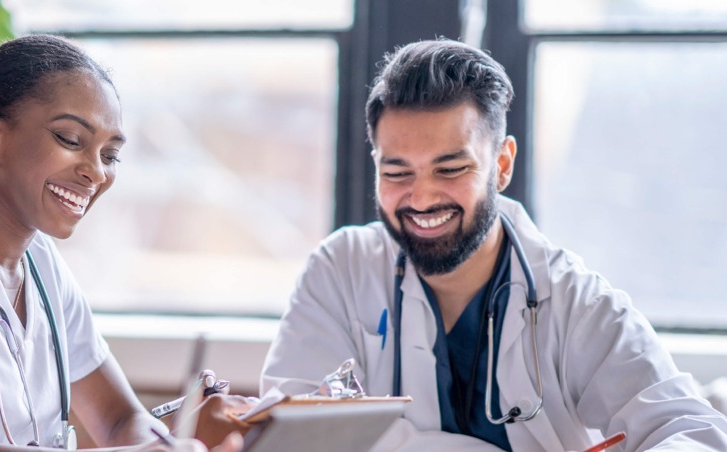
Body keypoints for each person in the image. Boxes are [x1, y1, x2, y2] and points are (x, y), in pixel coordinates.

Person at [261, 38, 727, 451]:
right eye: (397, 172)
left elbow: (688, 427)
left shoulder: (573, 301)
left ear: (501, 164)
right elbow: (288, 435)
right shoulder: (339, 272)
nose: (421, 198)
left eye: (450, 169)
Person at [0, 35, 247, 451]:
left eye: (110, 155)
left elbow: (119, 420)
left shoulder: (39, 259)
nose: (96, 173)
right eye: (71, 140)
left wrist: (172, 443)